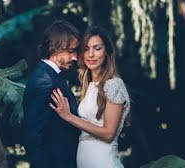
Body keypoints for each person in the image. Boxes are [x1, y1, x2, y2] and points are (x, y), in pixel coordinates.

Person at [50, 26, 130, 168]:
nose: (91, 54)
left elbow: (108, 134)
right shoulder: (90, 86)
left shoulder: (114, 85)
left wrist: (69, 117)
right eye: (86, 49)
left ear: (107, 52)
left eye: (97, 48)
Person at [22, 20, 81, 168]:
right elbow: (33, 137)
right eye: (71, 51)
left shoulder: (53, 76)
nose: (75, 57)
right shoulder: (45, 82)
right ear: (55, 48)